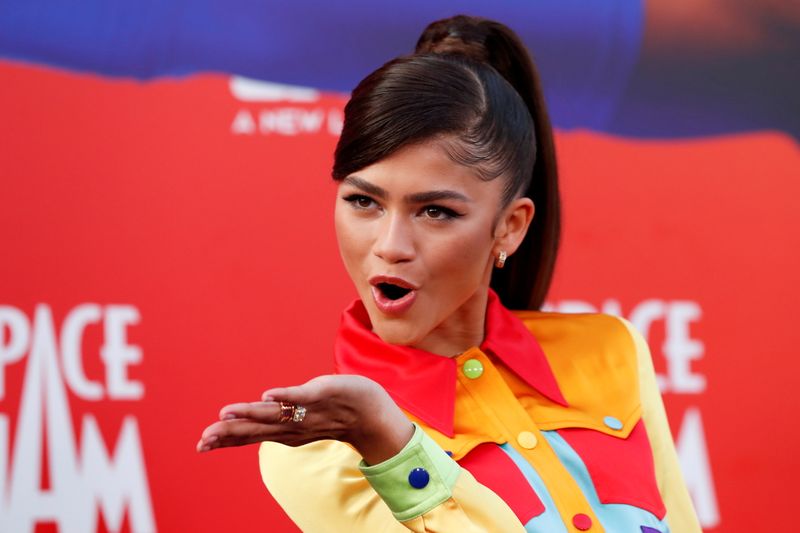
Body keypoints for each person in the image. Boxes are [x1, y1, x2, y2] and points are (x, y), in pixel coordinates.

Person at [197, 14, 701, 532]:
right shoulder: (315, 445)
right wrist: (391, 444)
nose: (390, 247)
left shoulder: (612, 349)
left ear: (510, 227)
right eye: (364, 201)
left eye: (435, 211)